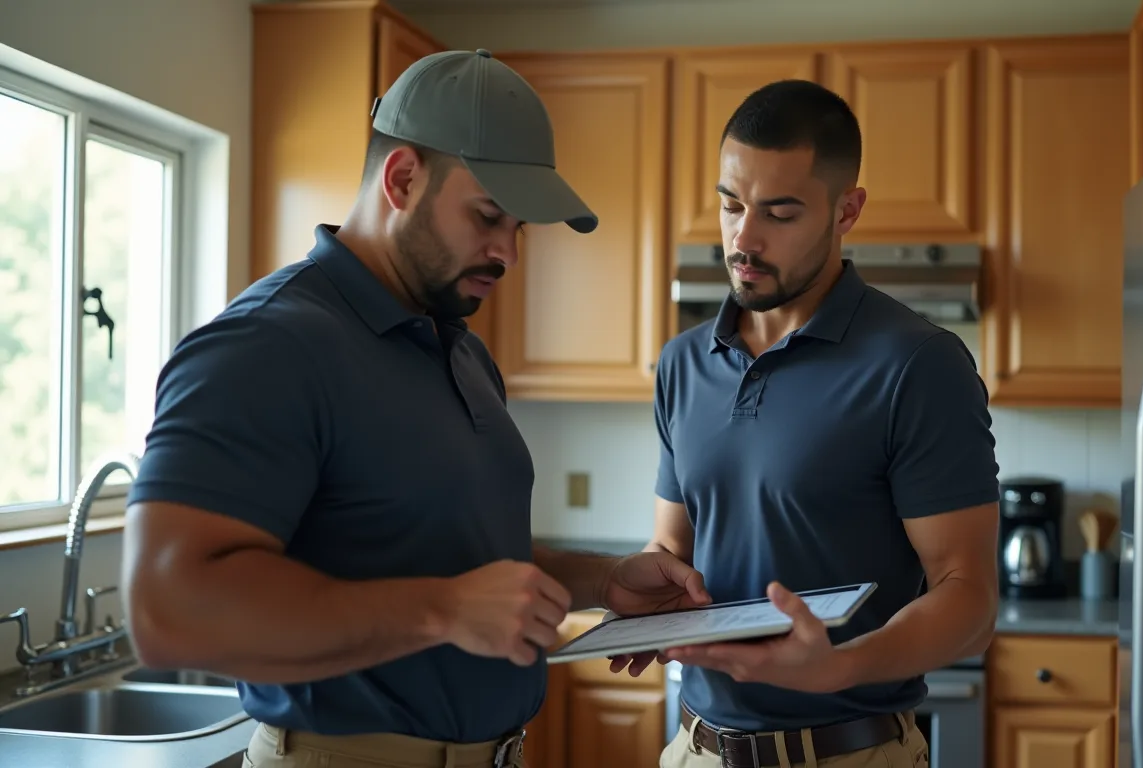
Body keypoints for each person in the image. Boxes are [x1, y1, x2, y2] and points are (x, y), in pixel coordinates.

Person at [120, 49, 710, 768]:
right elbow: (166, 609)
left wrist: (600, 581)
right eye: (489, 216)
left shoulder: (456, 348)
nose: (508, 253)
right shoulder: (267, 344)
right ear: (402, 179)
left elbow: (454, 555)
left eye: (519, 227)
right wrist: (443, 611)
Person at [619, 79, 1003, 768]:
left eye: (780, 213)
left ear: (846, 210)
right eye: (730, 205)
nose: (744, 237)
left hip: (849, 755)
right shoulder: (683, 363)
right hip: (695, 751)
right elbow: (673, 549)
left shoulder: (918, 364)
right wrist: (644, 599)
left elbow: (969, 598)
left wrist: (843, 665)